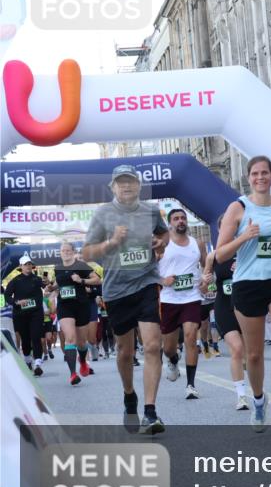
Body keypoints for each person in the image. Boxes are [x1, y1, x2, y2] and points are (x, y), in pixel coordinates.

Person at [214, 155, 271, 438]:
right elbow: (220, 253)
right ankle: (259, 399)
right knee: (253, 354)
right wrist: (245, 237)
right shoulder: (238, 208)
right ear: (249, 178)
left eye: (265, 173)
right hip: (249, 284)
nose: (260, 177)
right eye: (255, 174)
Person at [81, 164, 170, 434]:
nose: (127, 186)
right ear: (113, 187)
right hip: (116, 290)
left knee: (153, 346)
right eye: (121, 182)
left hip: (146, 283)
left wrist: (161, 242)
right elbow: (87, 254)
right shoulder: (103, 214)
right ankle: (129, 396)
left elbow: (163, 232)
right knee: (125, 351)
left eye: (131, 181)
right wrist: (110, 243)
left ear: (138, 186)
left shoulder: (151, 210)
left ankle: (150, 412)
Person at [158, 208, 208, 400]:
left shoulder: (198, 243)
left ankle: (191, 385)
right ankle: (172, 359)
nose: (180, 221)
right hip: (169, 299)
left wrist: (205, 280)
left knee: (190, 337)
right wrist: (163, 281)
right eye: (176, 218)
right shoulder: (161, 244)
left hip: (192, 297)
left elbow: (206, 265)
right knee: (169, 347)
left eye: (183, 218)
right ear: (170, 223)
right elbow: (148, 270)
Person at [201, 223, 249, 410]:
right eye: (225, 228)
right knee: (236, 349)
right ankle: (242, 396)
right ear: (220, 231)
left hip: (245, 304)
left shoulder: (245, 250)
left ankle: (254, 387)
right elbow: (205, 285)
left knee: (248, 355)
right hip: (224, 305)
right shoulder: (214, 256)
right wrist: (206, 280)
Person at [50, 242, 101, 385]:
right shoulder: (58, 268)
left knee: (81, 343)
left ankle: (83, 361)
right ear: (60, 253)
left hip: (81, 306)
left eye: (68, 250)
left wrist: (82, 280)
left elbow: (97, 280)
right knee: (70, 339)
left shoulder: (81, 265)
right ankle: (73, 374)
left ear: (73, 252)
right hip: (65, 306)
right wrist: (51, 287)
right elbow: (59, 283)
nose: (65, 252)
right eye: (63, 250)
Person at [5, 255, 46, 376]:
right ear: (21, 266)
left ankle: (38, 364)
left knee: (36, 336)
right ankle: (28, 360)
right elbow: (7, 297)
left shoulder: (37, 279)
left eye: (30, 264)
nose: (28, 266)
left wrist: (49, 285)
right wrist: (17, 302)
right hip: (21, 314)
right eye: (26, 264)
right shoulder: (15, 281)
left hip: (36, 313)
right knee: (26, 340)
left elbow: (47, 287)